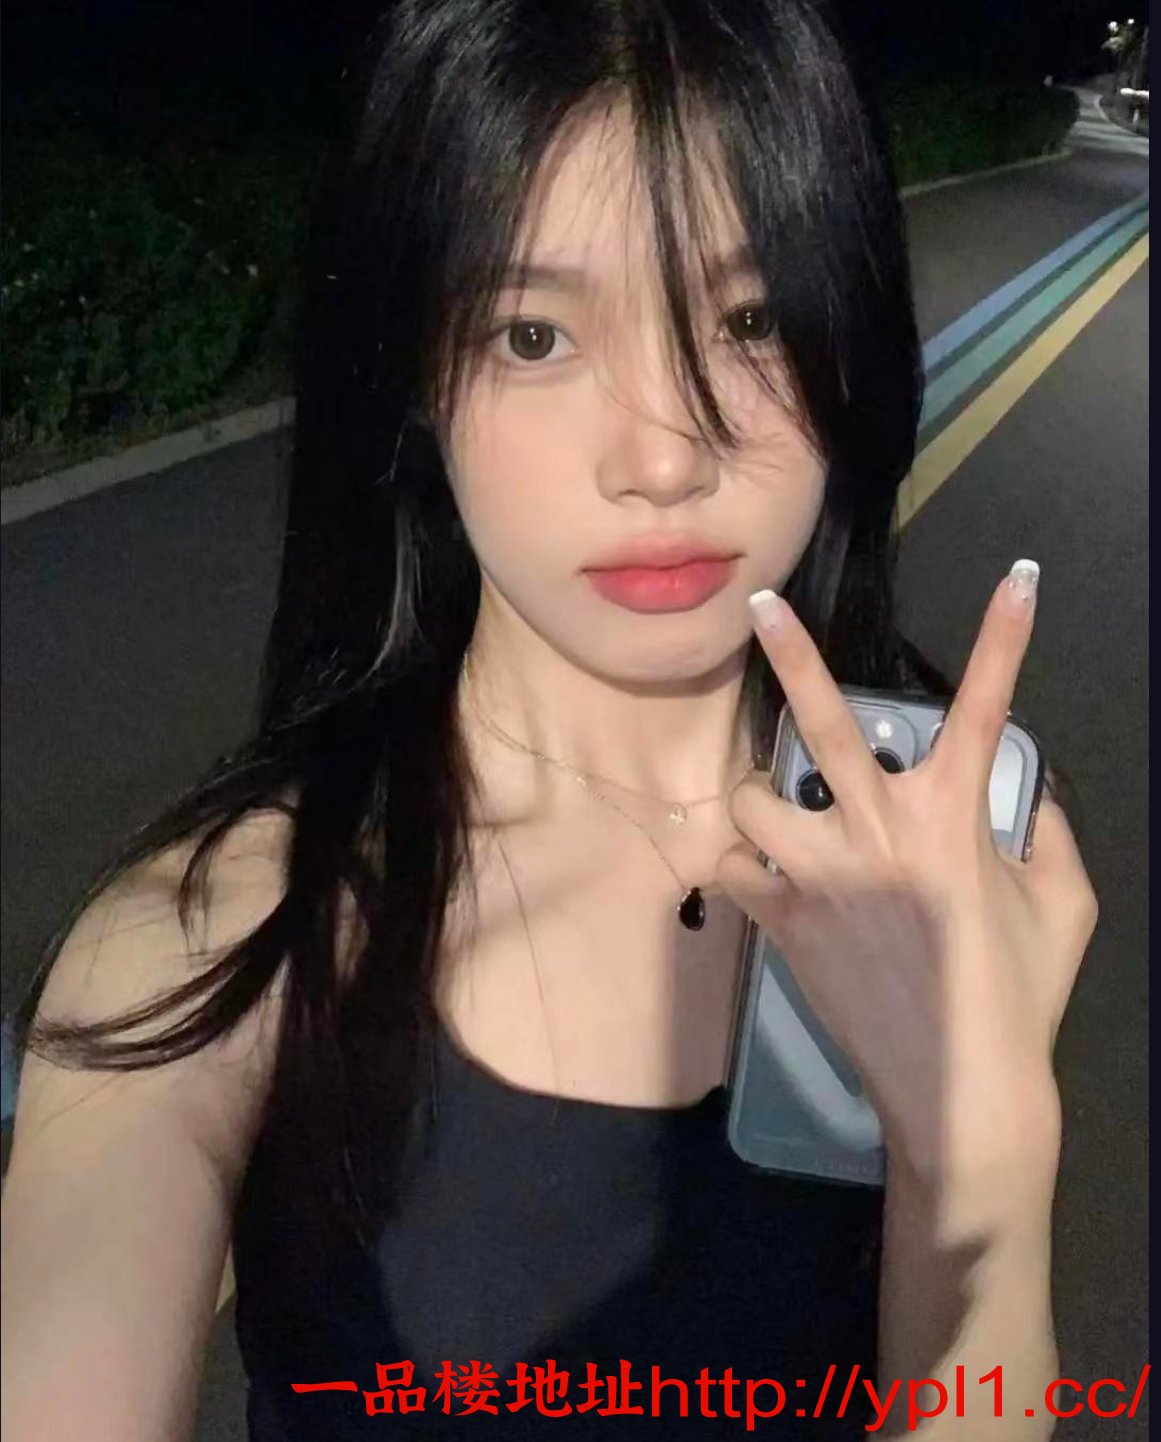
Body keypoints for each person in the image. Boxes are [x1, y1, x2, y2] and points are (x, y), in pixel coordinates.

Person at [1, 0, 1098, 1437]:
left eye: (749, 321)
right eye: (534, 334)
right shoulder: (212, 945)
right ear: (412, 376)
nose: (661, 457)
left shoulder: (937, 855)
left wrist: (989, 1165)